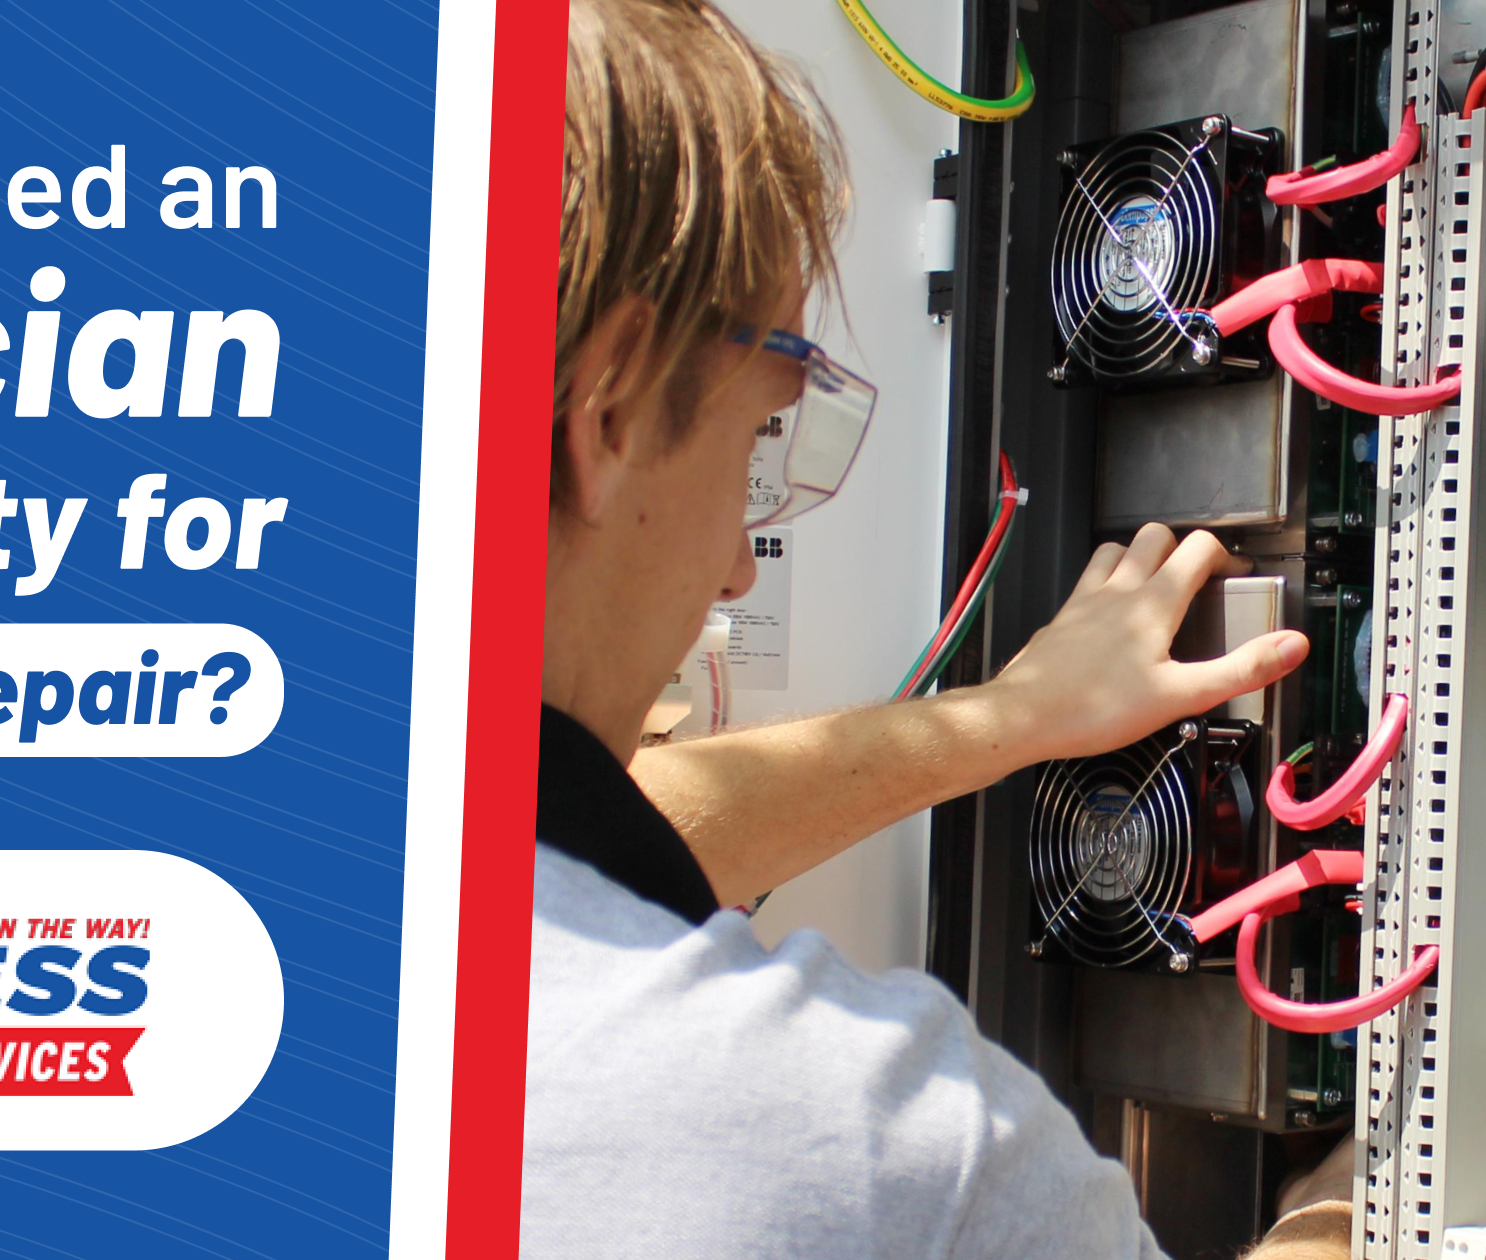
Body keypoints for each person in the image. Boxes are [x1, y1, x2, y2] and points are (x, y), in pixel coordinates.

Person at [523, 0, 1350, 1255]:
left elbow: (617, 833)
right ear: (610, 412)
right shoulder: (852, 1143)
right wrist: (1351, 1193)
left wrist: (1008, 720)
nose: (741, 569)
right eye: (759, 442)